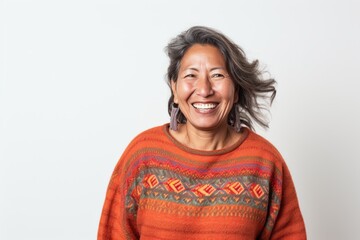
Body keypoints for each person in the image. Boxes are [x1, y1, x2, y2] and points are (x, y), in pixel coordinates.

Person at [98, 26, 306, 240]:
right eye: (191, 75)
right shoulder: (143, 155)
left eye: (217, 75)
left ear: (235, 89)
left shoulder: (264, 162)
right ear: (174, 89)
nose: (205, 90)